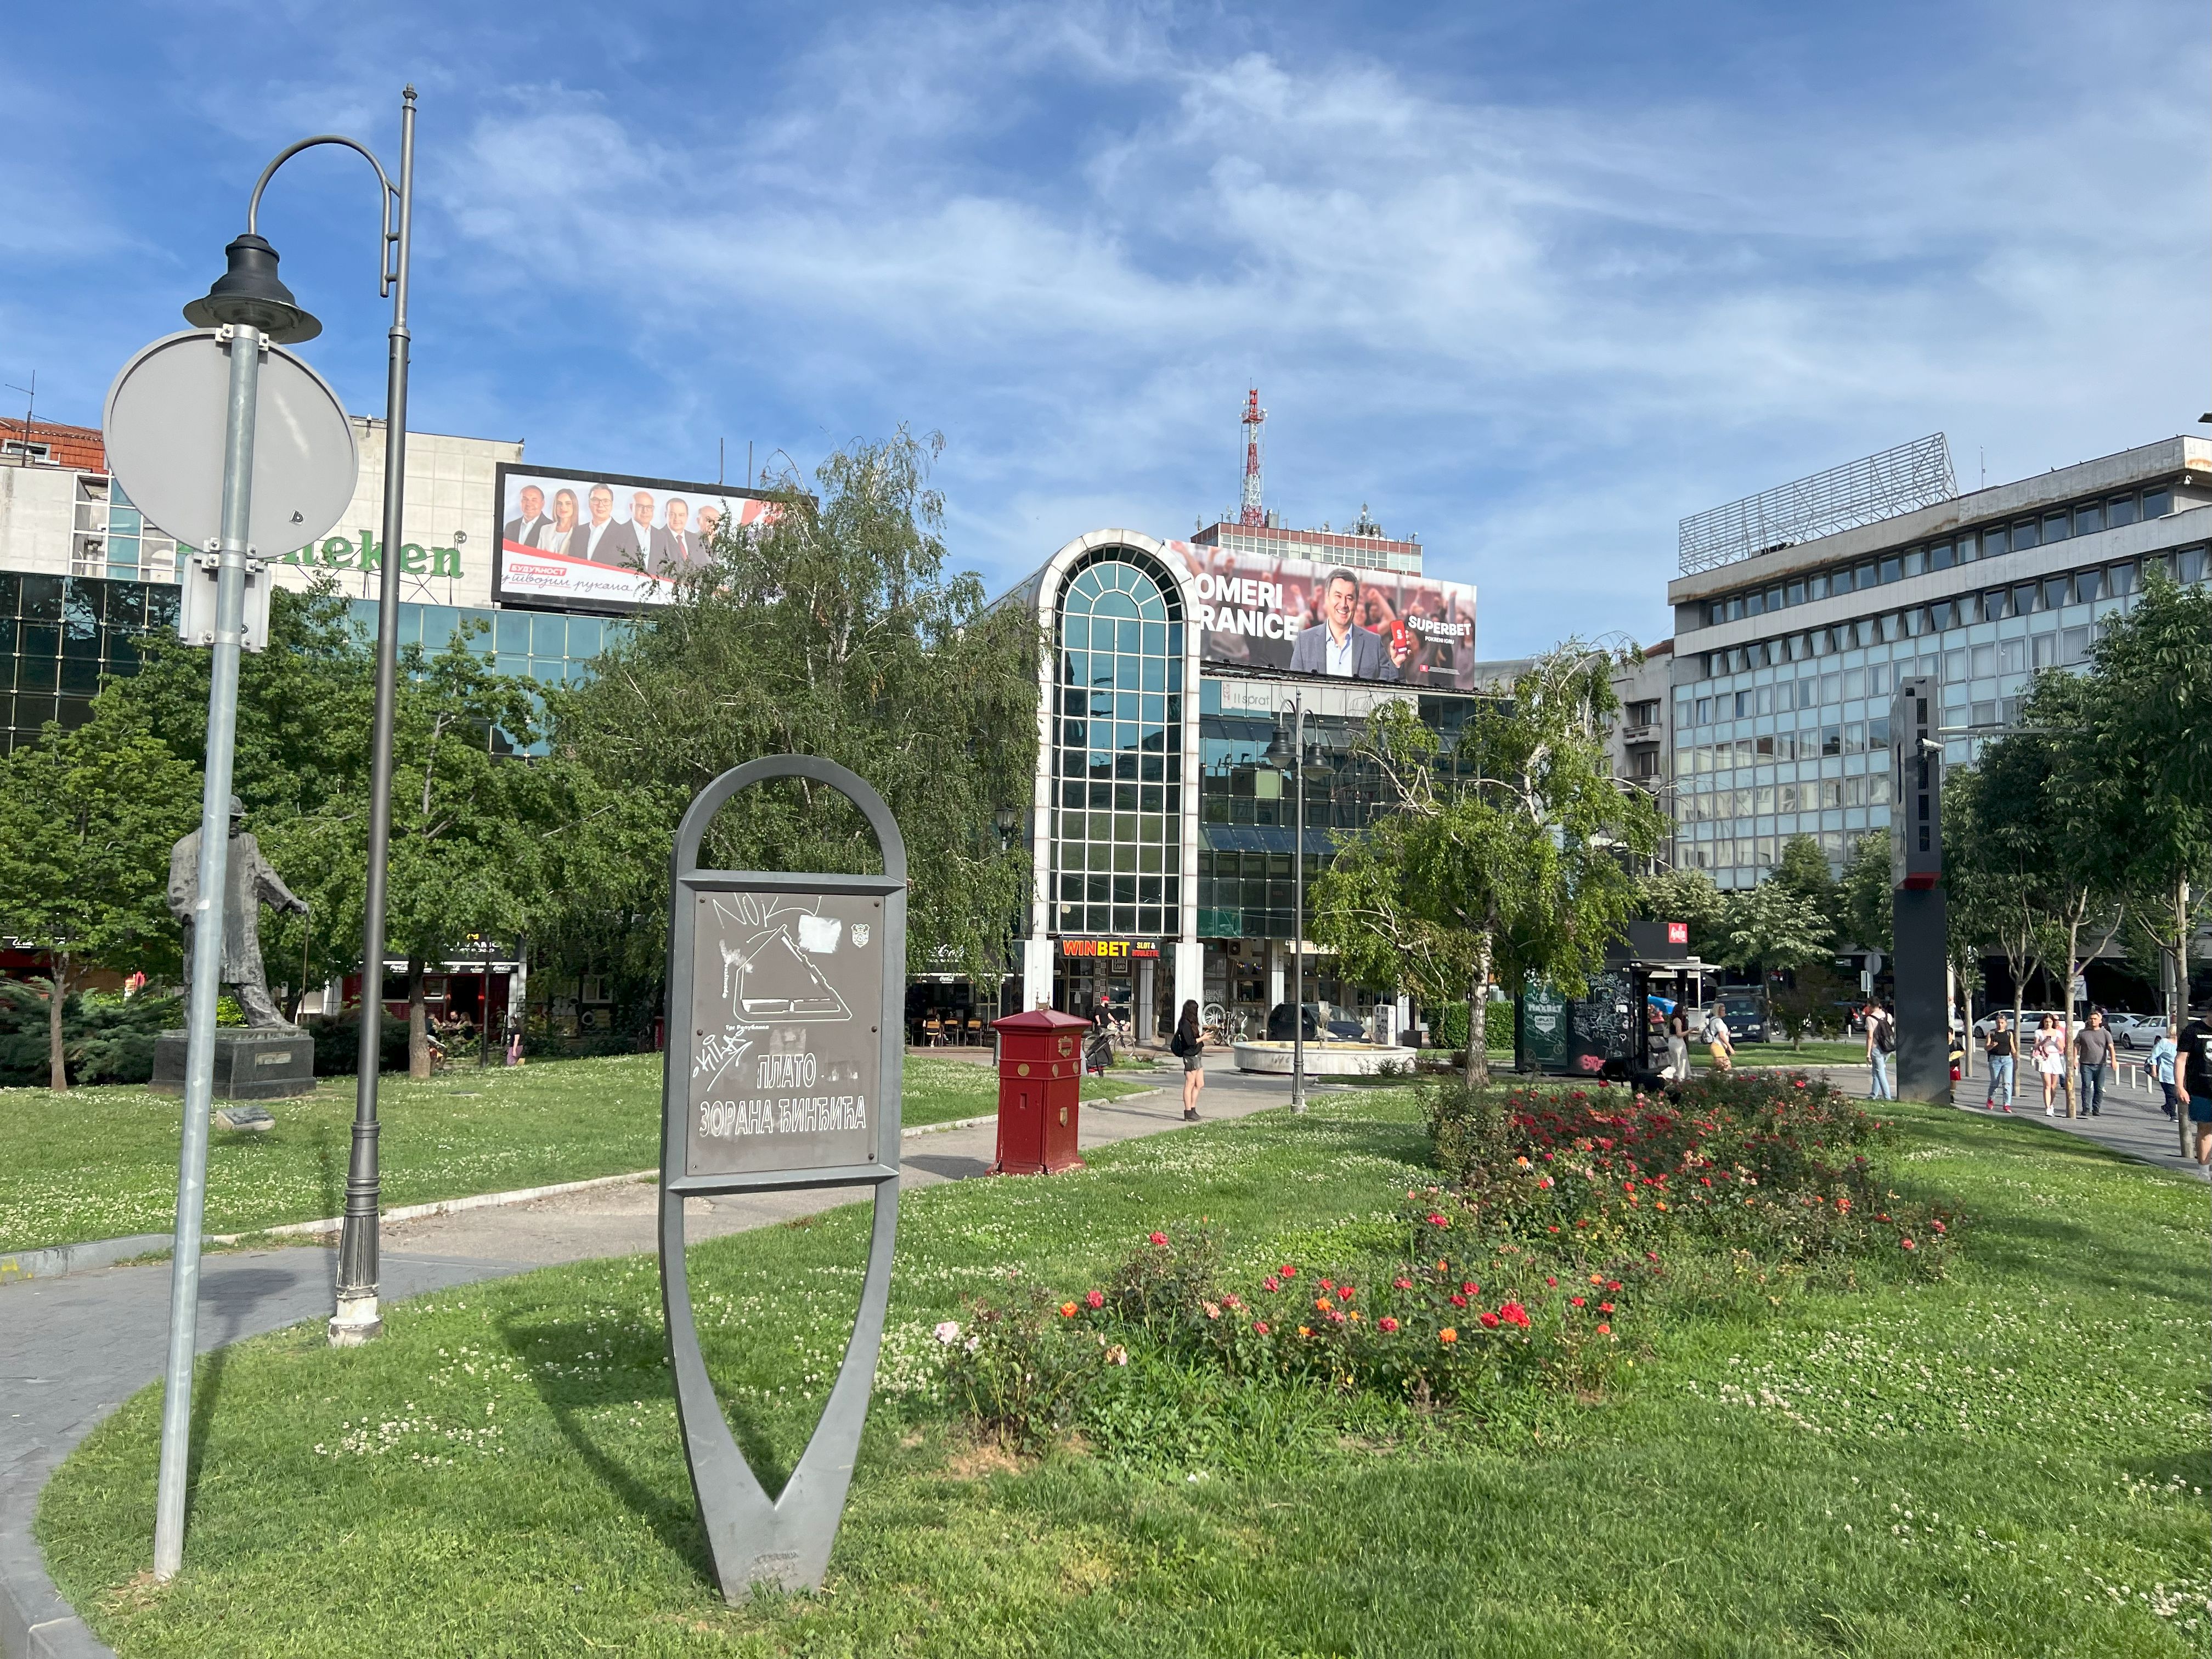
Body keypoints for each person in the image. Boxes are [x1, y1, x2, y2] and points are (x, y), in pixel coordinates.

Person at [1288, 568, 1413, 680]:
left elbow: (1388, 692)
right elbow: (1293, 688)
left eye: (1349, 598)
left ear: (1356, 602)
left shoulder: (1373, 643)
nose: (1343, 604)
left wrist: (1396, 664)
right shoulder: (1305, 641)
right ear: (1327, 598)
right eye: (1338, 596)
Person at [2180, 1001, 2212, 1177]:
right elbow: (2181, 1060)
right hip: (2201, 1088)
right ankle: (2204, 1172)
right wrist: (2180, 1086)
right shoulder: (2192, 1031)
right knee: (2205, 1129)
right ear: (2209, 1013)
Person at [578, 483, 636, 566]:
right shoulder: (578, 532)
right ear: (589, 503)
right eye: (595, 500)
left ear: (612, 505)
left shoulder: (626, 535)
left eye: (606, 501)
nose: (600, 505)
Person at [2073, 1009, 2115, 1118]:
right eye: (2091, 1019)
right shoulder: (2083, 1033)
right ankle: (2086, 1108)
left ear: (2100, 1021)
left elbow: (2111, 1047)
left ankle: (2096, 1108)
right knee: (2086, 1085)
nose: (2093, 1021)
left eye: (2095, 1019)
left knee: (2099, 1088)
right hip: (2086, 1064)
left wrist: (2114, 1061)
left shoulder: (2105, 1033)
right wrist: (2075, 1058)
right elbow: (2076, 1046)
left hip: (2101, 1065)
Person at [1171, 997, 1205, 1120]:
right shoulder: (1185, 1024)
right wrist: (1203, 1038)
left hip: (1197, 1055)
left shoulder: (1191, 1023)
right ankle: (1188, 1111)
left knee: (1200, 1084)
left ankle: (1193, 1108)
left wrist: (1203, 1036)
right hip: (1190, 1056)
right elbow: (1190, 1042)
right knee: (1190, 1083)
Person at [2032, 1013, 2067, 1115]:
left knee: (2053, 1087)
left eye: (2050, 1022)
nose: (2048, 1024)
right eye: (2046, 1022)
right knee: (2047, 1085)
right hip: (2044, 1058)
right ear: (2043, 1022)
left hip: (2055, 1058)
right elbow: (2036, 1046)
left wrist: (2057, 1042)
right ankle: (2047, 1108)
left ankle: (2051, 1104)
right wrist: (2044, 1041)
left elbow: (2062, 1048)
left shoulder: (2058, 1033)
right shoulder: (2039, 1032)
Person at [1983, 1012, 2016, 1112]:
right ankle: (1991, 1099)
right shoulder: (1992, 1033)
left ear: (2006, 1023)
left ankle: (2007, 1104)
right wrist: (1992, 1046)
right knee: (1995, 1082)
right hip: (1995, 1060)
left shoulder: (2009, 1034)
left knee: (2007, 1083)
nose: (2000, 1025)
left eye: (2002, 1023)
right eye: (1998, 1023)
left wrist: (2015, 1057)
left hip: (2007, 1060)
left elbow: (2012, 1047)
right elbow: (1986, 1048)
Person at [1864, 1000, 1895, 1101]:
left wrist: (1868, 1054)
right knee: (1876, 1072)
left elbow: (1870, 1037)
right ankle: (1873, 1095)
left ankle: (1887, 1097)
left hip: (1877, 1049)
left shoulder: (1870, 1019)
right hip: (1887, 1047)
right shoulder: (1888, 1016)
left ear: (1870, 1005)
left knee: (1880, 1073)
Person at [503, 484, 552, 548]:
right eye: (525, 500)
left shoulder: (551, 528)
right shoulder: (510, 526)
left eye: (534, 500)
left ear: (542, 504)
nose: (529, 504)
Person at [2149, 1023, 2180, 1119]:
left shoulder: (2183, 1043)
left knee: (2180, 1096)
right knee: (2171, 1095)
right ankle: (2173, 1115)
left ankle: (2167, 1107)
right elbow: (2154, 1056)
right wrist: (2154, 1070)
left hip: (2180, 1074)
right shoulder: (2164, 1042)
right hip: (2167, 1073)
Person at [540, 487, 582, 557]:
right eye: (559, 503)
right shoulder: (545, 530)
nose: (563, 507)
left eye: (568, 504)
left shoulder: (581, 533)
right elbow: (537, 556)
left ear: (574, 506)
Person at [1701, 1006, 1734, 1073]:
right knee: (1725, 1067)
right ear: (1718, 1012)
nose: (1725, 1012)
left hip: (1719, 1046)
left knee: (1723, 1068)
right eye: (1723, 1010)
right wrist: (1730, 1047)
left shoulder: (1713, 1020)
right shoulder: (1718, 1021)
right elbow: (1721, 1036)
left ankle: (1713, 1076)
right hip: (1718, 1046)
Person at [1664, 1007, 1690, 1082]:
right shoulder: (1678, 1020)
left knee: (1676, 1061)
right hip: (1678, 1042)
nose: (1686, 1012)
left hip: (1671, 1041)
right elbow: (1679, 1034)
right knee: (1681, 1062)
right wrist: (1690, 1031)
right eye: (1684, 1010)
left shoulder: (1671, 1020)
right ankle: (1679, 1078)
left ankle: (1676, 1077)